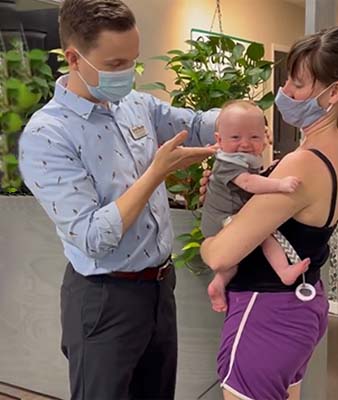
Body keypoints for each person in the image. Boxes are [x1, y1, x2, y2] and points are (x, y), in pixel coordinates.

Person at [18, 1, 217, 399]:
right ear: (74, 59)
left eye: (132, 62)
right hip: (104, 299)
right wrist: (157, 172)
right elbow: (94, 236)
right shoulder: (47, 135)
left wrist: (241, 123)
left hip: (160, 288)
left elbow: (194, 124)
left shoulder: (134, 106)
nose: (126, 74)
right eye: (114, 64)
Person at [200, 25, 338, 400]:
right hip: (300, 308)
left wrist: (212, 232)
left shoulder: (302, 163)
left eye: (297, 84)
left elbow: (220, 253)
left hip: (266, 312)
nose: (285, 94)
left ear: (334, 92)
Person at [201, 100, 310, 312]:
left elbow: (254, 177)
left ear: (265, 138)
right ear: (219, 140)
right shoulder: (227, 162)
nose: (245, 143)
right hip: (221, 217)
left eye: (254, 137)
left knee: (231, 263)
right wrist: (279, 184)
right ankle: (283, 270)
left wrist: (270, 171)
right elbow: (249, 183)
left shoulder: (244, 159)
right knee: (263, 235)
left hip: (228, 216)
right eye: (235, 137)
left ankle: (218, 284)